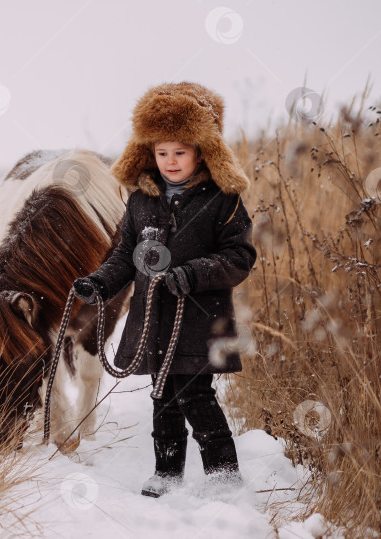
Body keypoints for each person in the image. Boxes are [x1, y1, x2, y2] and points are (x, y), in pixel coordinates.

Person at [72, 82, 256, 498]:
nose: (170, 162)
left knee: (197, 399)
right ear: (148, 153)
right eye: (161, 152)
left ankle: (225, 477)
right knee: (163, 398)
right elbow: (124, 256)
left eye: (180, 152)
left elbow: (240, 257)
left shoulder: (222, 201)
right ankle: (167, 473)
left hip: (200, 320)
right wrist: (99, 283)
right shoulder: (140, 201)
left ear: (201, 151)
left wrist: (194, 273)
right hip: (154, 319)